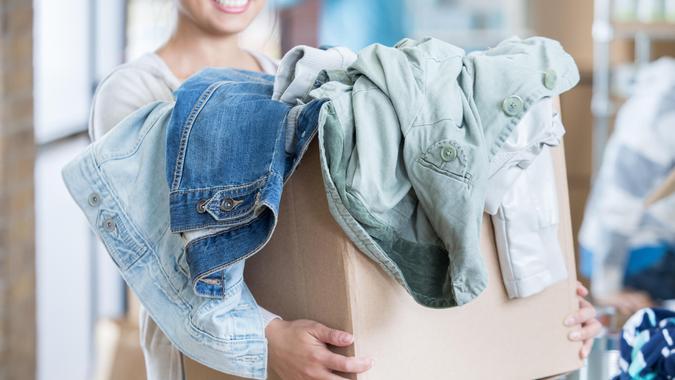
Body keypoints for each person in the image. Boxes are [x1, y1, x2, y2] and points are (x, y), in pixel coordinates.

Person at [89, 0, 600, 378]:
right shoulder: (135, 90)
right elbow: (159, 264)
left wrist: (539, 301)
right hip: (211, 365)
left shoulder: (301, 81)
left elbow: (386, 228)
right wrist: (264, 343)